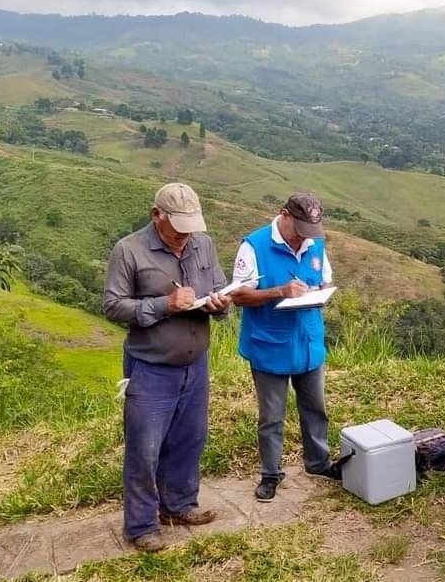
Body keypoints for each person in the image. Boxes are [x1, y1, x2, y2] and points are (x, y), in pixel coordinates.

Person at [103, 182, 231, 551]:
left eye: (191, 228)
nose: (184, 237)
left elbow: (220, 285)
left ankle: (178, 505)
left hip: (195, 364)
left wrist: (220, 303)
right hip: (151, 367)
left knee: (189, 439)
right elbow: (113, 306)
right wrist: (164, 305)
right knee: (144, 449)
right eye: (177, 228)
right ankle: (141, 526)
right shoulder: (129, 251)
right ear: (156, 215)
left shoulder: (202, 245)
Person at [230, 192, 340, 502]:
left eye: (311, 232)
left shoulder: (315, 243)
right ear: (285, 215)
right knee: (272, 417)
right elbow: (238, 295)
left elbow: (325, 280)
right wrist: (279, 291)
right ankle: (270, 473)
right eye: (300, 229)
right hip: (270, 345)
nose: (304, 238)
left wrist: (319, 291)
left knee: (315, 409)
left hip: (308, 342)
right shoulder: (254, 245)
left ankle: (318, 463)